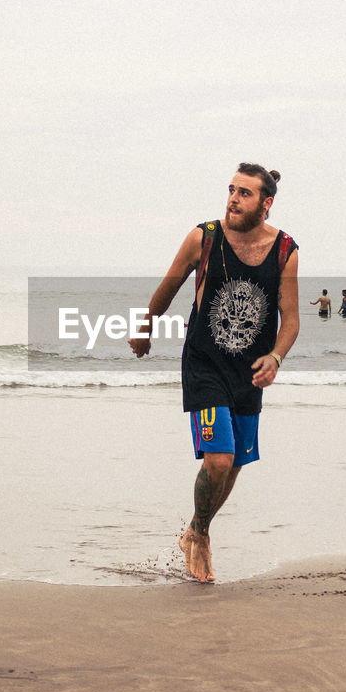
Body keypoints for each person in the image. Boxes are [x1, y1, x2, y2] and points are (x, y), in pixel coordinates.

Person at [128, 162, 300, 583]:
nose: (233, 199)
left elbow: (292, 320)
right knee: (218, 461)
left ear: (267, 203)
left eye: (244, 193)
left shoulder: (284, 252)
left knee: (235, 462)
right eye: (231, 190)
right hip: (204, 364)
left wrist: (275, 357)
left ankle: (194, 529)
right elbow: (168, 287)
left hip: (249, 373)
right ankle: (201, 535)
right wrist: (145, 326)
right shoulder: (203, 238)